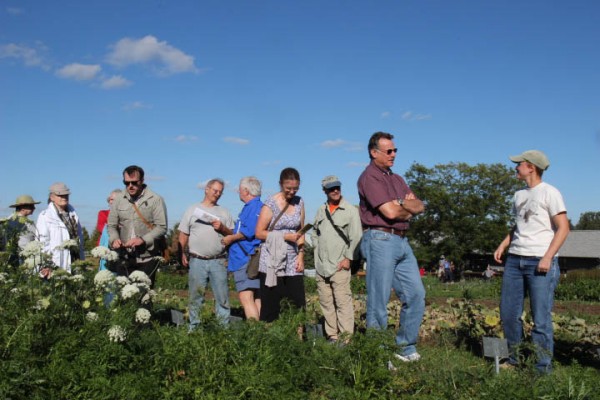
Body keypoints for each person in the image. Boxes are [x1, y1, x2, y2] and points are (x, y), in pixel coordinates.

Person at [494, 150, 569, 374]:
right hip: (515, 260)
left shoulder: (550, 193)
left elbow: (563, 228)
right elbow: (520, 225)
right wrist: (504, 243)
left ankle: (541, 367)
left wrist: (547, 257)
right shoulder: (519, 195)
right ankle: (514, 360)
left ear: (531, 167)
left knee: (541, 318)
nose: (515, 168)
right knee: (508, 314)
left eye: (519, 164)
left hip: (540, 261)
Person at [357, 131, 426, 363]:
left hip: (402, 241)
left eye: (395, 150)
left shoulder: (396, 179)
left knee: (416, 294)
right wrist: (404, 205)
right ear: (373, 152)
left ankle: (405, 348)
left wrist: (402, 204)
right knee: (379, 299)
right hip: (380, 239)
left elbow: (419, 205)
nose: (393, 154)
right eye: (389, 151)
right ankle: (376, 356)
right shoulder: (370, 178)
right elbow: (389, 212)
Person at [311, 175, 362, 343]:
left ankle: (346, 339)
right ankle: (332, 336)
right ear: (324, 190)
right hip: (322, 266)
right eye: (331, 188)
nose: (335, 191)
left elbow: (356, 237)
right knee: (326, 303)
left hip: (340, 265)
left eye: (337, 187)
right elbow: (314, 234)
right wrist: (316, 254)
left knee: (342, 303)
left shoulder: (350, 211)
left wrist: (348, 259)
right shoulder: (321, 210)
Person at [179, 178, 234, 328]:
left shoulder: (224, 212)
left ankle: (223, 331)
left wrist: (222, 228)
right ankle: (194, 329)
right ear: (207, 189)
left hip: (218, 260)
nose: (217, 194)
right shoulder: (192, 210)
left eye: (220, 192)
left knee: (222, 298)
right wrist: (182, 253)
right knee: (195, 297)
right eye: (215, 191)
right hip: (197, 260)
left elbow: (232, 235)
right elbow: (183, 234)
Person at [255, 167, 306, 323]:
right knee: (272, 304)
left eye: (295, 188)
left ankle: (298, 340)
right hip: (273, 260)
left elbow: (301, 230)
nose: (292, 192)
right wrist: (285, 236)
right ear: (280, 184)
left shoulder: (299, 202)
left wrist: (301, 255)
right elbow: (259, 233)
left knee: (297, 303)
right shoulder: (270, 204)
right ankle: (271, 342)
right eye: (288, 188)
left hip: (292, 261)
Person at [108, 165, 167, 286]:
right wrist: (114, 239)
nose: (130, 186)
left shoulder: (155, 199)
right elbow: (111, 225)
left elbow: (162, 227)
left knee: (143, 297)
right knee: (123, 298)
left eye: (134, 182)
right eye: (126, 182)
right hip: (124, 257)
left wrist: (142, 240)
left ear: (142, 181)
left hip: (147, 258)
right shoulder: (119, 199)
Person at [221, 177, 263, 321]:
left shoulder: (253, 207)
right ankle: (260, 332)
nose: (238, 191)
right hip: (250, 257)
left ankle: (254, 334)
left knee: (246, 296)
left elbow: (249, 231)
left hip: (245, 258)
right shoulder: (256, 207)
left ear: (246, 190)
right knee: (255, 296)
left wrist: (230, 238)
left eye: (240, 188)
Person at [36, 183, 85, 274]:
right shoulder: (45, 216)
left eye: (66, 195)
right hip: (56, 263)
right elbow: (42, 242)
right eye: (60, 195)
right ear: (52, 197)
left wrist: (82, 260)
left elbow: (80, 239)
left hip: (75, 261)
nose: (64, 197)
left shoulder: (73, 215)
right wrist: (45, 265)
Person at [1, 195, 40, 265]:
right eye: (31, 206)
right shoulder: (25, 223)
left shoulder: (8, 221)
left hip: (8, 260)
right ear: (22, 208)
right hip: (23, 260)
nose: (34, 208)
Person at [97, 189, 121, 271]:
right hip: (106, 247)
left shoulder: (125, 216)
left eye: (113, 199)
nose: (111, 202)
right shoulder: (103, 213)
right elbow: (100, 227)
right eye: (110, 199)